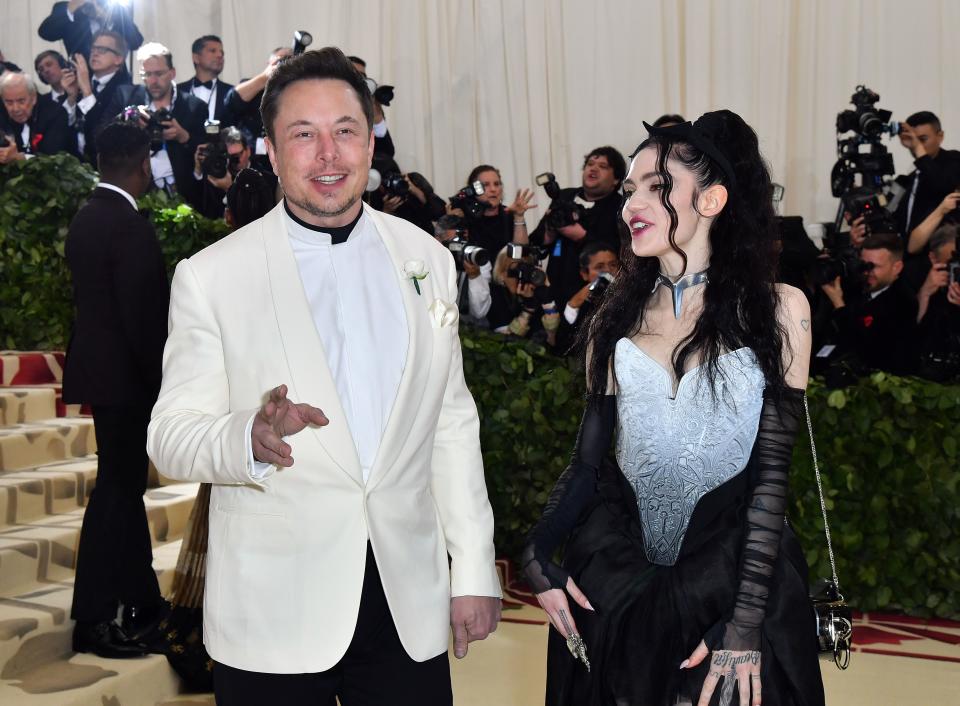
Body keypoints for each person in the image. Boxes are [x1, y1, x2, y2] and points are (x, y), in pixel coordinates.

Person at [146, 47, 501, 706]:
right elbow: (168, 438)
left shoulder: (426, 259)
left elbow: (450, 423)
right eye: (303, 135)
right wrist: (247, 436)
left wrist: (473, 567)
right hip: (272, 613)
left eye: (345, 131)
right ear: (272, 154)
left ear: (370, 141)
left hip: (405, 605)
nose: (329, 154)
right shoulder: (213, 276)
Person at [523, 111, 825, 706]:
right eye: (631, 187)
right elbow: (587, 467)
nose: (634, 202)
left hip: (733, 579)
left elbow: (770, 482)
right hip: (620, 584)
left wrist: (744, 623)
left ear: (712, 199)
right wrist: (534, 552)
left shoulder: (780, 309)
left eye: (658, 187)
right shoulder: (614, 316)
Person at [63, 121, 169, 658]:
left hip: (106, 378)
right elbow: (141, 321)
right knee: (115, 495)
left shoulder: (88, 215)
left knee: (122, 492)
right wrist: (165, 384)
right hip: (127, 380)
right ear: (142, 163)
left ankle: (142, 601)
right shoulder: (128, 225)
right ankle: (94, 617)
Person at [530, 146, 626, 312]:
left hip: (592, 296)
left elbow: (619, 250)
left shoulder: (620, 207)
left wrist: (581, 236)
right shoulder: (563, 196)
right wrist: (549, 232)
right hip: (554, 286)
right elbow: (537, 241)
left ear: (616, 179)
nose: (593, 168)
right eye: (590, 164)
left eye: (603, 166)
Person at [116, 42, 207, 205]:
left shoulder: (194, 106)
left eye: (158, 74)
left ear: (172, 73)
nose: (152, 80)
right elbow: (106, 135)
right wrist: (130, 120)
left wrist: (184, 137)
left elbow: (207, 151)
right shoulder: (129, 100)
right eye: (147, 74)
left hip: (184, 193)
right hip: (140, 192)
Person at [820, 232, 918, 375]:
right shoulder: (856, 288)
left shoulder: (903, 301)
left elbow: (865, 348)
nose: (867, 272)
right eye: (863, 265)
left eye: (874, 266)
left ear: (897, 267)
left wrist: (839, 305)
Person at [68, 30, 132, 163]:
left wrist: (86, 91)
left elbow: (103, 132)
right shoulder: (82, 80)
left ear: (118, 59)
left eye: (102, 49)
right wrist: (71, 98)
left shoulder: (126, 92)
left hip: (108, 165)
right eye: (93, 48)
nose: (95, 53)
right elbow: (67, 128)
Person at [452, 164, 535, 253]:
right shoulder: (462, 216)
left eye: (496, 184)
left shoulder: (508, 214)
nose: (493, 189)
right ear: (473, 189)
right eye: (486, 185)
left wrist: (519, 216)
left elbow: (521, 254)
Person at [0, 71, 75, 161]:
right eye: (9, 102)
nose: (15, 108)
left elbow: (52, 159)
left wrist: (19, 158)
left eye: (21, 101)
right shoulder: (2, 116)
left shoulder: (55, 114)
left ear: (33, 98)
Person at [38, 0, 142, 63]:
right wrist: (70, 9)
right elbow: (46, 33)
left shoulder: (115, 9)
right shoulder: (64, 8)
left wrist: (107, 18)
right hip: (81, 78)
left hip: (116, 80)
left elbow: (136, 42)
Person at [176, 35, 234, 124]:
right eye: (212, 51)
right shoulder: (177, 91)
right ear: (196, 58)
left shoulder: (232, 93)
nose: (220, 55)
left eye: (222, 53)